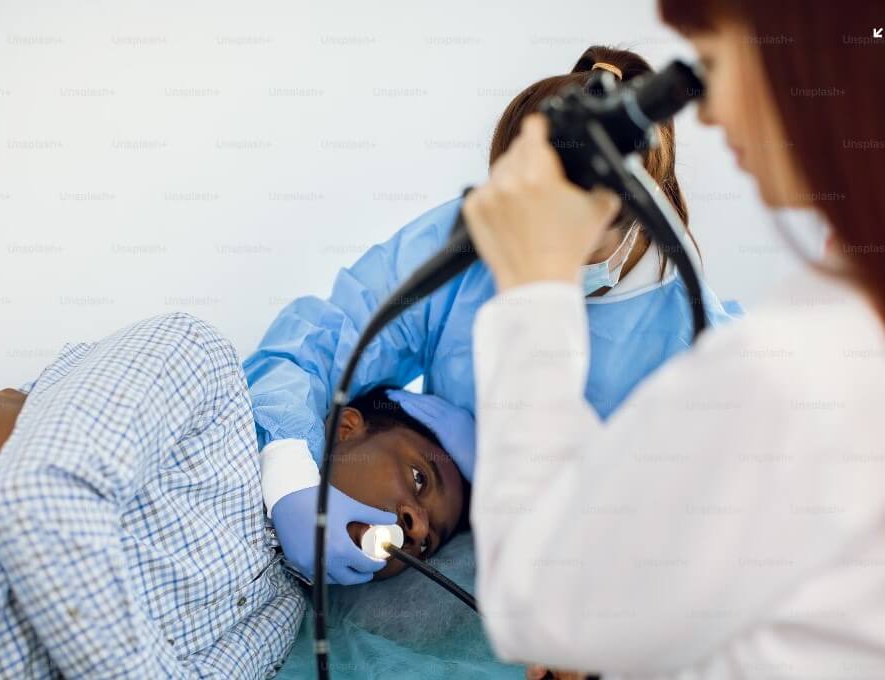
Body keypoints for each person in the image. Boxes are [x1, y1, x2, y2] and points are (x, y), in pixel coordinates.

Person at [462, 2, 885, 678]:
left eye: (711, 63)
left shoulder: (793, 365)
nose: (708, 113)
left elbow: (538, 600)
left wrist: (535, 291)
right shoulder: (835, 320)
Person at [244, 44, 742, 588]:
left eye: (556, 228)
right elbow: (320, 344)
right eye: (518, 212)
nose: (523, 245)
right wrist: (289, 475)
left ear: (630, 210)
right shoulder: (472, 240)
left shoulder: (705, 354)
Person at [0, 314, 469, 678]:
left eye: (430, 540)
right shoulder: (201, 367)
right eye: (420, 479)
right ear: (348, 428)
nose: (417, 528)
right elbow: (39, 499)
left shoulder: (279, 619)